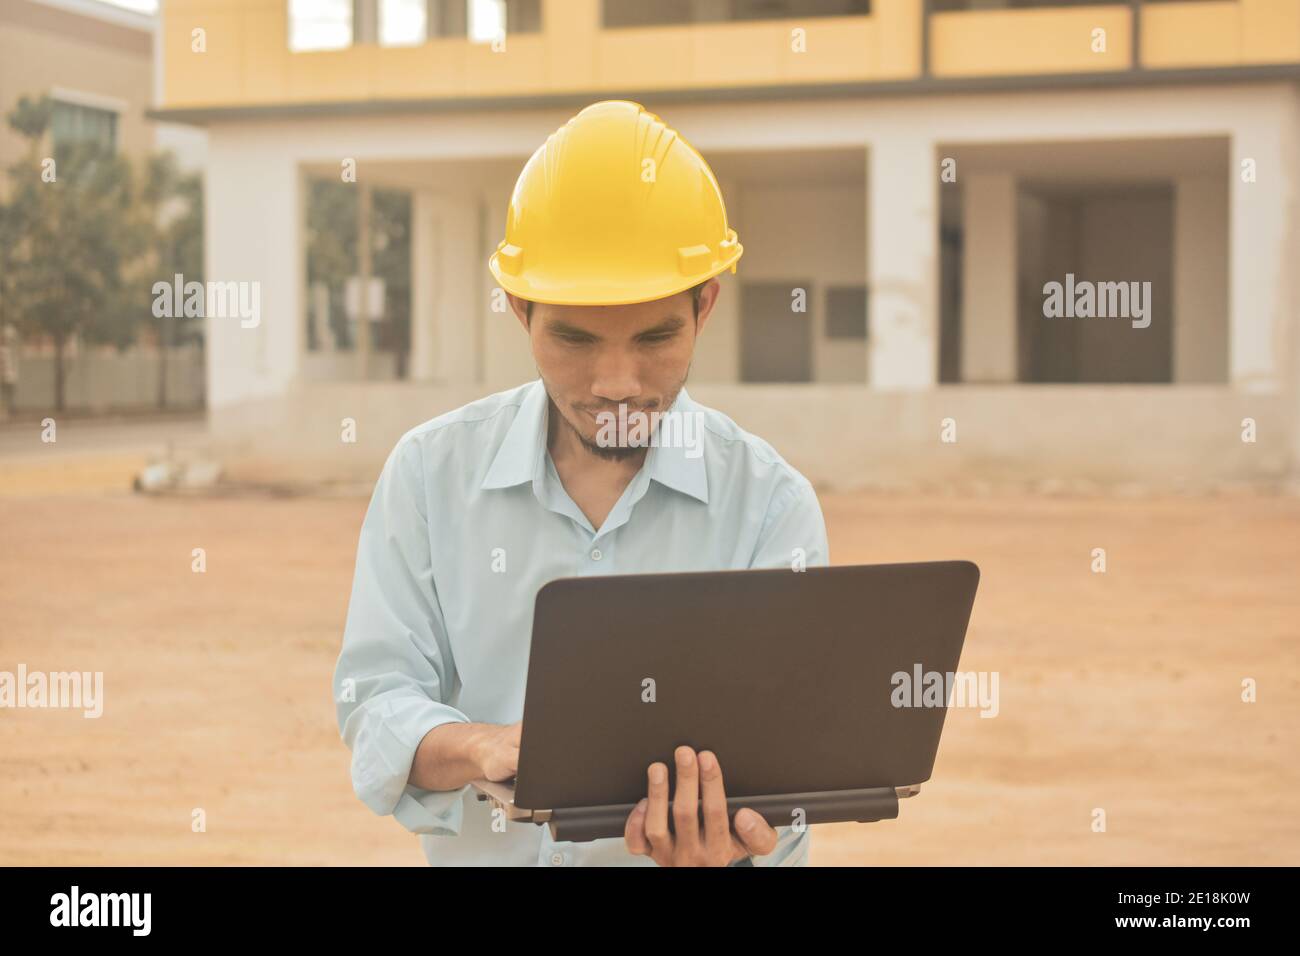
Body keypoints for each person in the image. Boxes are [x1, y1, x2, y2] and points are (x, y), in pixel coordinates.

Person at [333, 100, 828, 866]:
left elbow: (794, 767)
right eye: (574, 337)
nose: (618, 383)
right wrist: (481, 746)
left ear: (705, 307)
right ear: (519, 311)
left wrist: (731, 846)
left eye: (656, 336)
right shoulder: (431, 476)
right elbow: (376, 700)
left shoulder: (769, 504)